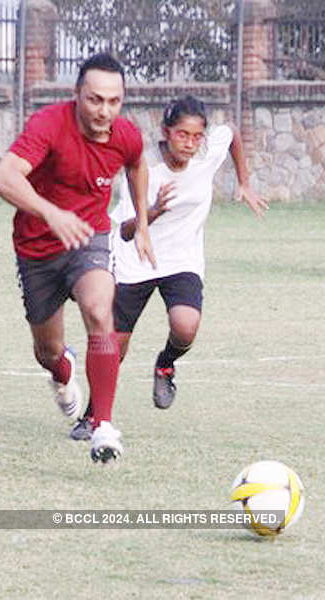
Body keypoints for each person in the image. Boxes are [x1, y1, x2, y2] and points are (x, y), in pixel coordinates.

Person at [70, 94, 268, 441]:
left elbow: (232, 132)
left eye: (196, 136)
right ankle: (93, 415)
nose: (190, 143)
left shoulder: (207, 153)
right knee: (115, 344)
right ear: (166, 132)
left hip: (183, 259)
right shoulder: (143, 169)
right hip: (136, 258)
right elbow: (127, 230)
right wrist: (156, 211)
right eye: (182, 135)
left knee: (186, 326)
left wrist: (244, 182)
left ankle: (165, 364)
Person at [0, 53, 155, 464]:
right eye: (95, 99)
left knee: (100, 310)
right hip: (37, 249)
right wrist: (50, 213)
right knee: (47, 350)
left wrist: (144, 224)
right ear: (76, 95)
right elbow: (3, 177)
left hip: (89, 238)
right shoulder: (49, 124)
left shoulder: (126, 135)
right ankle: (62, 371)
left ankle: (103, 425)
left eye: (114, 101)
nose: (105, 110)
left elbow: (137, 166)